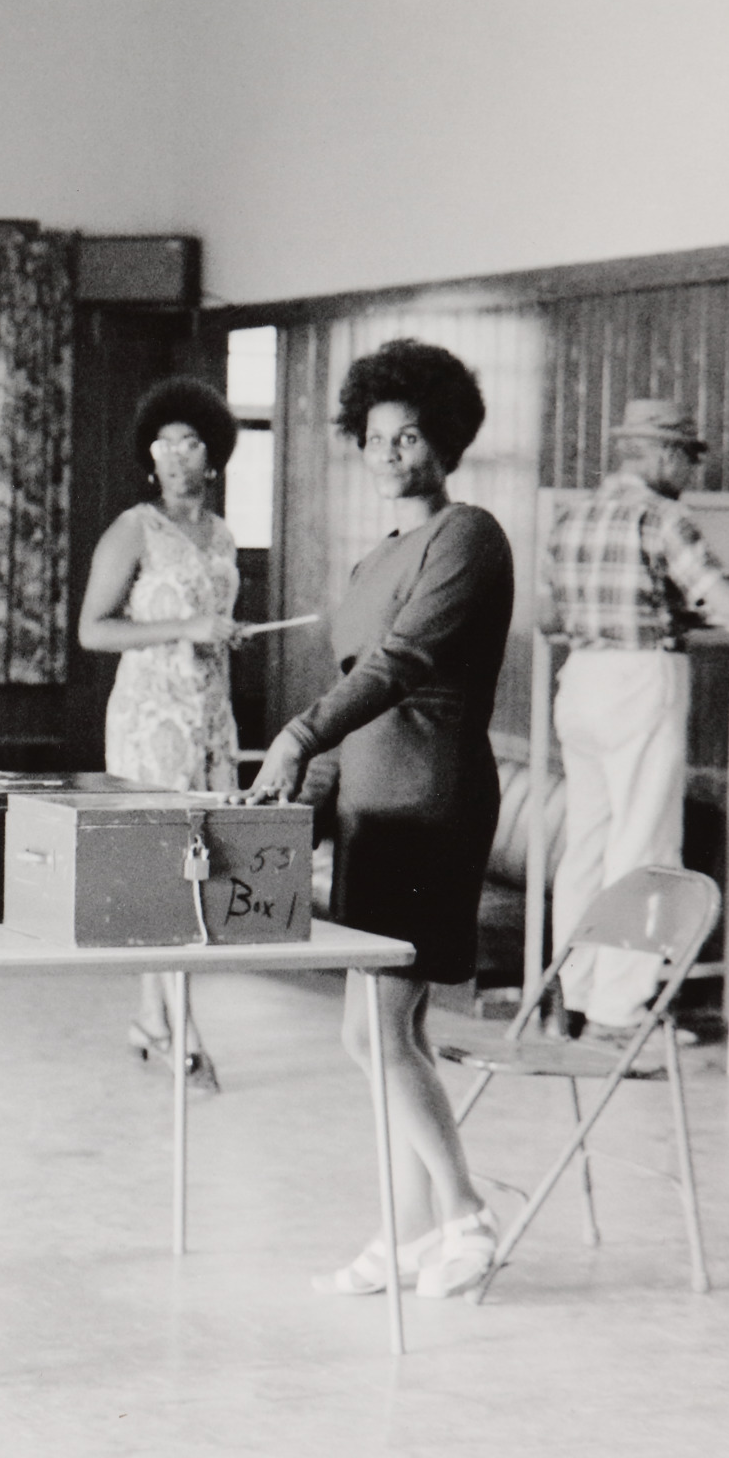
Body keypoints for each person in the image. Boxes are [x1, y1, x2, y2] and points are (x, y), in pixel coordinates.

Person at [245, 338, 511, 1301]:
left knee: (384, 1026)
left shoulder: (469, 536)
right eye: (377, 436)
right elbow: (353, 687)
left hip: (431, 801)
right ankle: (407, 1236)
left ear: (444, 439)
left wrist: (294, 736)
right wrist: (305, 798)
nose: (394, 450)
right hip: (369, 804)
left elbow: (396, 669)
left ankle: (466, 1214)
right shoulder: (376, 556)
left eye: (412, 435)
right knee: (375, 1033)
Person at [78, 376, 254, 1091]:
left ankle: (150, 1018)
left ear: (213, 455)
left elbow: (208, 619)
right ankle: (179, 1026)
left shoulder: (223, 533)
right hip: (151, 718)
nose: (178, 455)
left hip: (210, 713)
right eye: (165, 442)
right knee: (165, 869)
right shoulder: (133, 527)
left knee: (201, 867)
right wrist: (183, 627)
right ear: (149, 453)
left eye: (191, 442)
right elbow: (93, 629)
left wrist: (221, 635)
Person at [544, 398, 729, 1031]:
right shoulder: (663, 518)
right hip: (640, 680)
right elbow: (728, 604)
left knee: (586, 846)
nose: (689, 472)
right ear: (659, 454)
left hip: (579, 680)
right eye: (686, 456)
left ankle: (568, 997)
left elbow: (552, 614)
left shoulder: (572, 517)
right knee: (643, 846)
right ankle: (620, 1008)